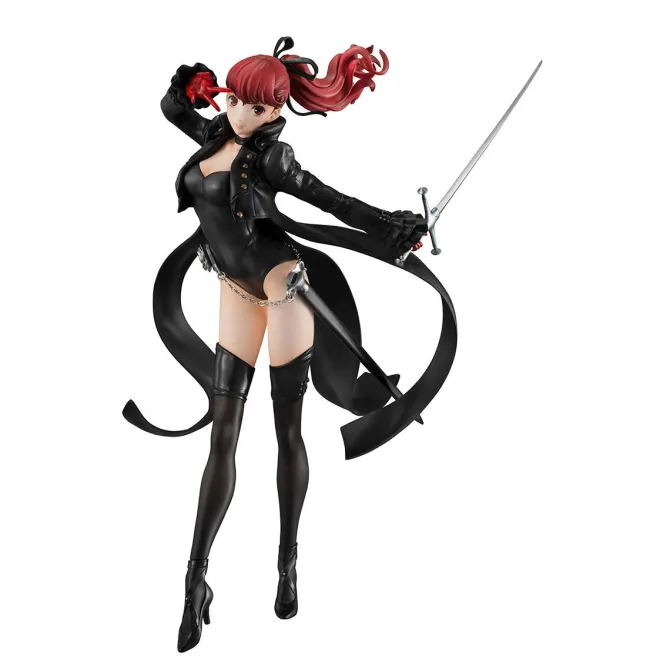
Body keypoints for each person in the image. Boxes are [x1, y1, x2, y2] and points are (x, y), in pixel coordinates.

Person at [122, 36, 457, 653]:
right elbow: (171, 108)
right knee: (223, 435)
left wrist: (392, 226)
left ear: (274, 110)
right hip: (233, 287)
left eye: (251, 105)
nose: (236, 110)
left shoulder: (273, 158)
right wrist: (190, 81)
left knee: (286, 431)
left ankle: (287, 563)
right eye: (232, 98)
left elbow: (331, 200)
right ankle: (195, 581)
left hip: (282, 286)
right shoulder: (215, 132)